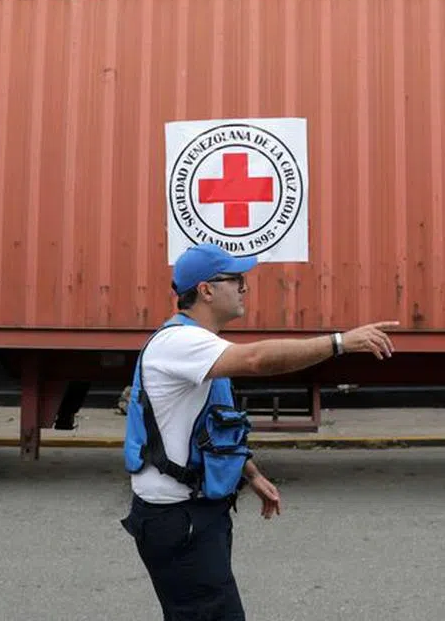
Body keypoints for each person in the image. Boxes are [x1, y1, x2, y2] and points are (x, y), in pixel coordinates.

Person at [120, 242, 398, 620]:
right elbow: (256, 359)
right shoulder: (179, 343)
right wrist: (340, 343)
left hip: (193, 512)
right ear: (206, 289)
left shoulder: (198, 344)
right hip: (178, 518)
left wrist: (249, 472)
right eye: (236, 280)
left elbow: (208, 424)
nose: (244, 289)